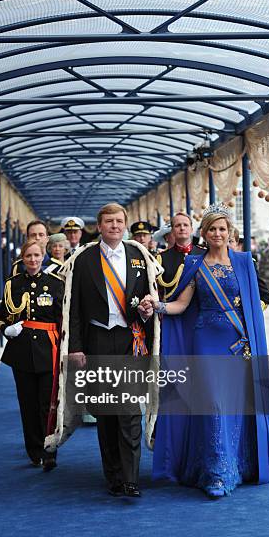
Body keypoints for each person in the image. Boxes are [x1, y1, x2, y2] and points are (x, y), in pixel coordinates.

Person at [141, 204, 269, 498]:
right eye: (212, 228)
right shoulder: (194, 265)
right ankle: (215, 473)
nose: (217, 233)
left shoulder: (244, 263)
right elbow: (182, 305)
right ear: (204, 233)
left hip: (237, 343)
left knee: (234, 407)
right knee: (213, 404)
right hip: (205, 342)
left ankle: (237, 466)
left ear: (230, 232)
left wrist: (253, 339)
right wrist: (157, 305)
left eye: (222, 228)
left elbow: (253, 307)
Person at [65, 203, 161, 497]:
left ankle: (132, 478)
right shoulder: (84, 259)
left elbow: (149, 297)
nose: (115, 226)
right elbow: (74, 308)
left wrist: (146, 309)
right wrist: (76, 347)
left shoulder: (138, 256)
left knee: (130, 410)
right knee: (106, 412)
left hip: (130, 339)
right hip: (97, 340)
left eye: (119, 221)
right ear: (99, 226)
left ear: (125, 224)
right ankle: (114, 476)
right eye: (109, 222)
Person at [0, 240, 64, 471]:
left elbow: (62, 318)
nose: (33, 260)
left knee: (48, 403)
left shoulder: (55, 284)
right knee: (28, 403)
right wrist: (6, 329)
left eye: (36, 256)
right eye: (28, 256)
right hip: (22, 350)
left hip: (48, 349)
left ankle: (50, 450)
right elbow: (1, 315)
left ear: (43, 257)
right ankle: (34, 450)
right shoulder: (12, 284)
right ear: (22, 259)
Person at [156, 212, 204, 300]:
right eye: (178, 225)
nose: (182, 228)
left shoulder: (204, 254)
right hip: (173, 308)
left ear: (191, 229)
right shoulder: (162, 258)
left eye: (185, 225)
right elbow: (159, 292)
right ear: (172, 231)